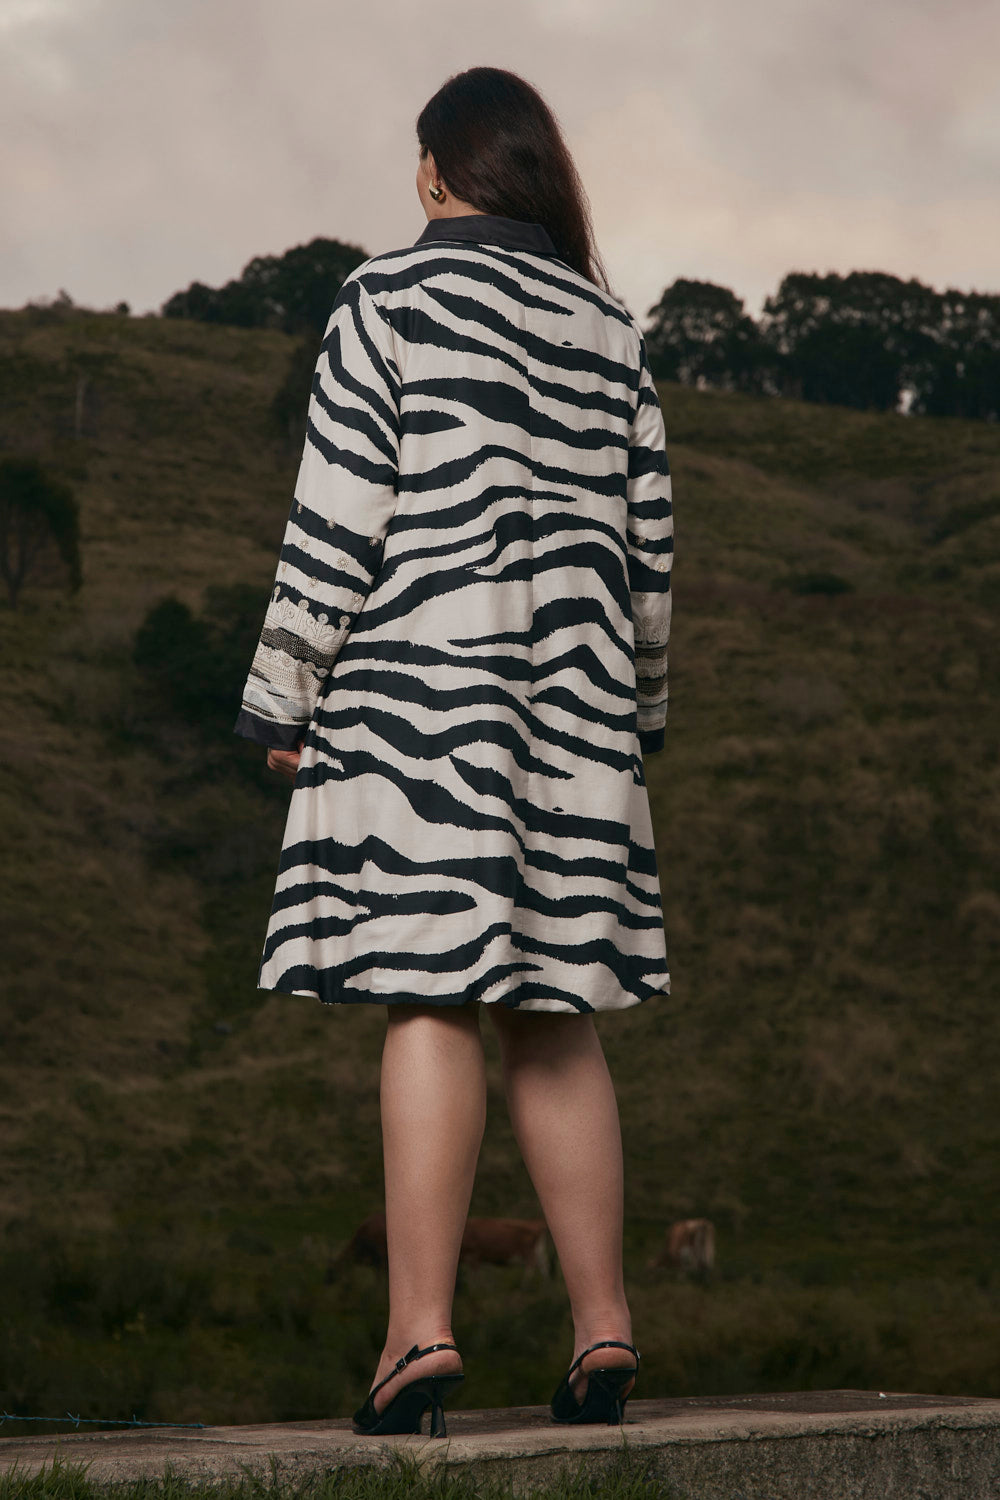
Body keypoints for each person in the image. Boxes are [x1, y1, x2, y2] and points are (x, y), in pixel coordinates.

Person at [234, 66, 673, 1437]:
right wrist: (637, 721)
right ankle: (604, 1327)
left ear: (436, 171)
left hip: (420, 703)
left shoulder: (385, 301)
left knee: (429, 997)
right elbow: (650, 558)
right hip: (577, 718)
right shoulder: (612, 331)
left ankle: (417, 1337)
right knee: (555, 1012)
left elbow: (338, 514)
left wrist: (283, 697)